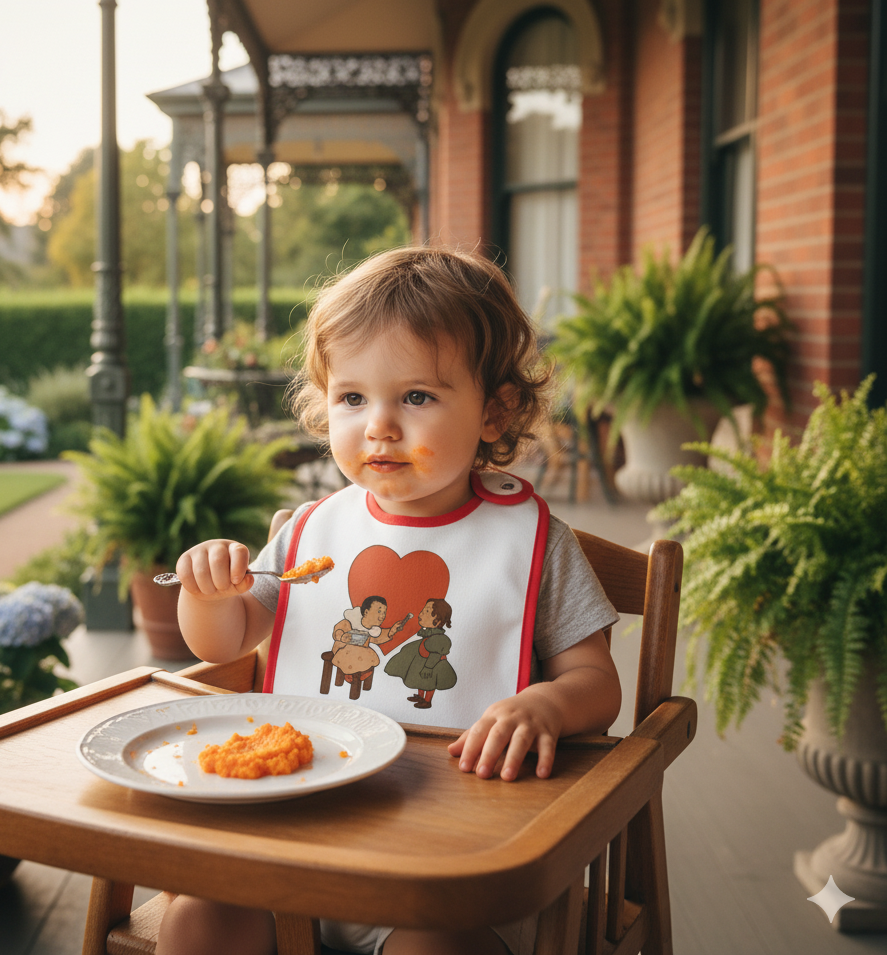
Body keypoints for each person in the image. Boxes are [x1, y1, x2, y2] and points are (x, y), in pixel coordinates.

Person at [158, 246, 622, 955]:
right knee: (198, 918)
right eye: (352, 398)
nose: (379, 425)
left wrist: (545, 705)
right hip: (293, 838)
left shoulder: (536, 542)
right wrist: (208, 593)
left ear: (495, 411)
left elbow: (596, 682)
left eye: (416, 396)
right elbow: (223, 641)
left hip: (451, 867)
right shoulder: (311, 532)